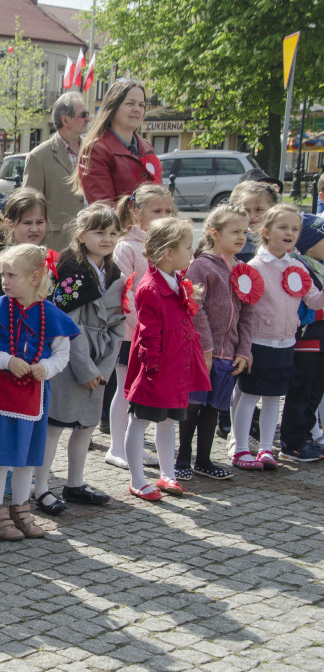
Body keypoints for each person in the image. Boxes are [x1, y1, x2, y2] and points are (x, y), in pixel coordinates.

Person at [0, 244, 79, 540]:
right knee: (0, 457)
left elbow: (62, 353)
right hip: (1, 398)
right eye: (2, 274)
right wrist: (7, 360)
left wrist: (47, 367)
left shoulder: (50, 315)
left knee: (26, 459)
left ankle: (21, 509)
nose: (4, 280)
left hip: (33, 399)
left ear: (34, 277)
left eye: (11, 275)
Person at [38, 205, 125, 516]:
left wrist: (102, 370)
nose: (107, 238)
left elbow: (118, 325)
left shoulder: (115, 274)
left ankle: (75, 483)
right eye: (99, 232)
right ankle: (40, 486)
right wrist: (86, 368)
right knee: (56, 425)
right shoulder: (69, 271)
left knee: (86, 426)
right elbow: (65, 325)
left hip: (100, 356)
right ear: (81, 235)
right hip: (69, 357)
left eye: (113, 232)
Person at [122, 218, 210, 501]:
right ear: (168, 253)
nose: (192, 252)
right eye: (187, 247)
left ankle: (167, 473)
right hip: (156, 367)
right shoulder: (150, 287)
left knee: (169, 420)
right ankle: (137, 479)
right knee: (140, 420)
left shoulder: (174, 281)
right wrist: (153, 365)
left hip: (175, 366)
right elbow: (149, 331)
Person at [233, 205, 324, 471]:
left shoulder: (298, 266)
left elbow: (314, 301)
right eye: (283, 227)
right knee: (250, 396)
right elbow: (243, 310)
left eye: (295, 229)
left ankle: (265, 450)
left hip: (286, 342)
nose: (290, 233)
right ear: (266, 231)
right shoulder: (254, 267)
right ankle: (240, 449)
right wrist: (243, 345)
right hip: (259, 342)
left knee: (275, 397)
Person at [176, 205, 253, 479]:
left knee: (214, 407)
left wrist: (244, 349)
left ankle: (204, 460)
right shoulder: (201, 265)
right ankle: (182, 460)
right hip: (201, 354)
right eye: (235, 231)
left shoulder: (243, 270)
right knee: (193, 405)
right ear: (214, 233)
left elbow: (248, 312)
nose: (242, 236)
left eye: (245, 231)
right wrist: (206, 348)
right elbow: (196, 307)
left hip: (227, 354)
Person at [105, 184, 177, 468]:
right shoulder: (127, 246)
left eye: (168, 210)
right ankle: (115, 447)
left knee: (143, 391)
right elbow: (125, 293)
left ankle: (132, 444)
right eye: (156, 210)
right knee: (125, 389)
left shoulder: (168, 247)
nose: (163, 215)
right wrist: (148, 324)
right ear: (136, 213)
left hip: (158, 336)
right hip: (131, 334)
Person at [279, 213, 324, 461]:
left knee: (316, 388)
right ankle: (292, 441)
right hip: (308, 336)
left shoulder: (319, 266)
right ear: (308, 242)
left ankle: (306, 435)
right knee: (301, 388)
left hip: (321, 334)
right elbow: (310, 303)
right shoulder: (301, 265)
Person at [24, 92, 88, 253]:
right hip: (55, 244)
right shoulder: (39, 157)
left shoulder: (93, 151)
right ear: (65, 120)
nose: (88, 119)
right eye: (83, 115)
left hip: (88, 241)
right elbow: (28, 206)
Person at [75, 79, 157, 204]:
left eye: (141, 105)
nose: (137, 109)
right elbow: (105, 210)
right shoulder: (96, 150)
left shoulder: (146, 147)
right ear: (113, 107)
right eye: (130, 103)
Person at [0, 188, 49, 304]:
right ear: (9, 224)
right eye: (27, 223)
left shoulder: (50, 261)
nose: (35, 229)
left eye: (40, 222)